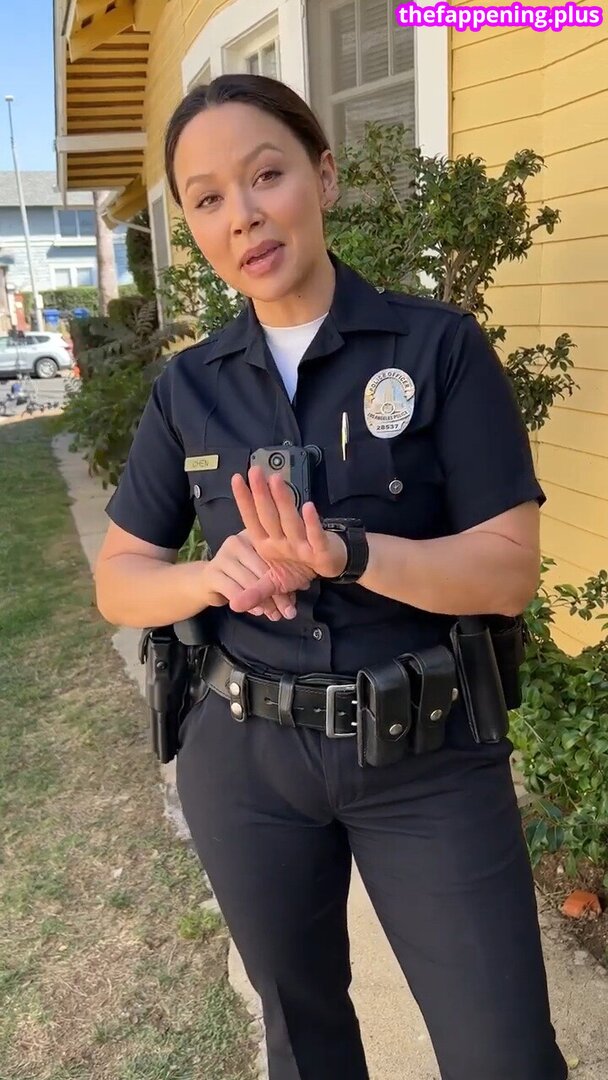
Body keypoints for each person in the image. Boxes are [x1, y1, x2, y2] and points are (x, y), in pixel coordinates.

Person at [94, 74, 569, 1080]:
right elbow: (122, 578)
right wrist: (211, 576)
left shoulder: (436, 349)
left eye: (265, 175)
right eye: (208, 199)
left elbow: (507, 572)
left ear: (323, 176)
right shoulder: (189, 387)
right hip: (247, 758)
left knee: (505, 1055)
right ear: (193, 226)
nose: (242, 215)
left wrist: (350, 554)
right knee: (304, 1044)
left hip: (425, 756)